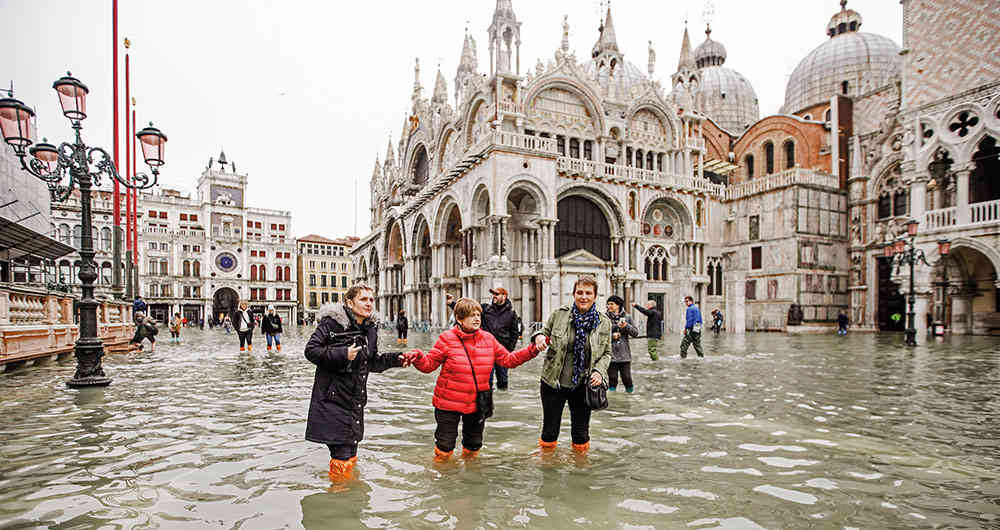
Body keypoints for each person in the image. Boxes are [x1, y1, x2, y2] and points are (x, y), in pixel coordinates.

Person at [304, 283, 414, 482]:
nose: (369, 303)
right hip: (332, 401)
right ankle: (341, 495)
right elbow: (311, 351)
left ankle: (348, 495)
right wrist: (343, 354)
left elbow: (370, 362)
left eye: (371, 299)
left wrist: (397, 359)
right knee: (342, 457)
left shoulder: (370, 329)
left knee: (350, 454)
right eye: (363, 299)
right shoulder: (331, 324)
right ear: (349, 302)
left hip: (354, 402)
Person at [410, 297, 543, 461]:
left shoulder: (488, 339)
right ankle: (443, 474)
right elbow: (428, 365)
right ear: (459, 319)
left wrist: (533, 349)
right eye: (471, 315)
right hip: (448, 403)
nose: (476, 319)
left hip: (477, 403)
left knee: (474, 445)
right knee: (445, 447)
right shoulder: (446, 338)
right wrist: (418, 358)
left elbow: (509, 360)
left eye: (478, 315)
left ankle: (470, 473)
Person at [530, 275, 611, 454]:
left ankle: (580, 467)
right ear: (574, 294)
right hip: (553, 382)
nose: (584, 297)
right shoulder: (559, 314)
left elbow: (607, 353)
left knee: (581, 435)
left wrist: (599, 371)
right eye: (580, 292)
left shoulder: (604, 322)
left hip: (583, 385)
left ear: (595, 296)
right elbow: (543, 331)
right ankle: (548, 466)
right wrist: (539, 337)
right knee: (549, 431)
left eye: (588, 293)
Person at [446, 287, 522, 391]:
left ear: (504, 296)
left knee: (503, 380)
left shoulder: (511, 314)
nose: (494, 296)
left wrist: (509, 350)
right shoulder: (485, 309)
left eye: (496, 294)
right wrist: (451, 303)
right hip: (485, 352)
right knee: (486, 381)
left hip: (502, 352)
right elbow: (468, 310)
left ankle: (503, 399)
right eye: (493, 294)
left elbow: (514, 334)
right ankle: (487, 400)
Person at [606, 295, 638, 393]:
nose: (608, 306)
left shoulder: (627, 317)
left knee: (627, 379)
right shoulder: (604, 318)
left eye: (611, 304)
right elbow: (600, 335)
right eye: (608, 304)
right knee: (612, 379)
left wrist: (626, 326)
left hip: (624, 355)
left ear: (618, 305)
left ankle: (629, 397)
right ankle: (613, 400)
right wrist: (612, 336)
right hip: (610, 354)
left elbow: (635, 333)